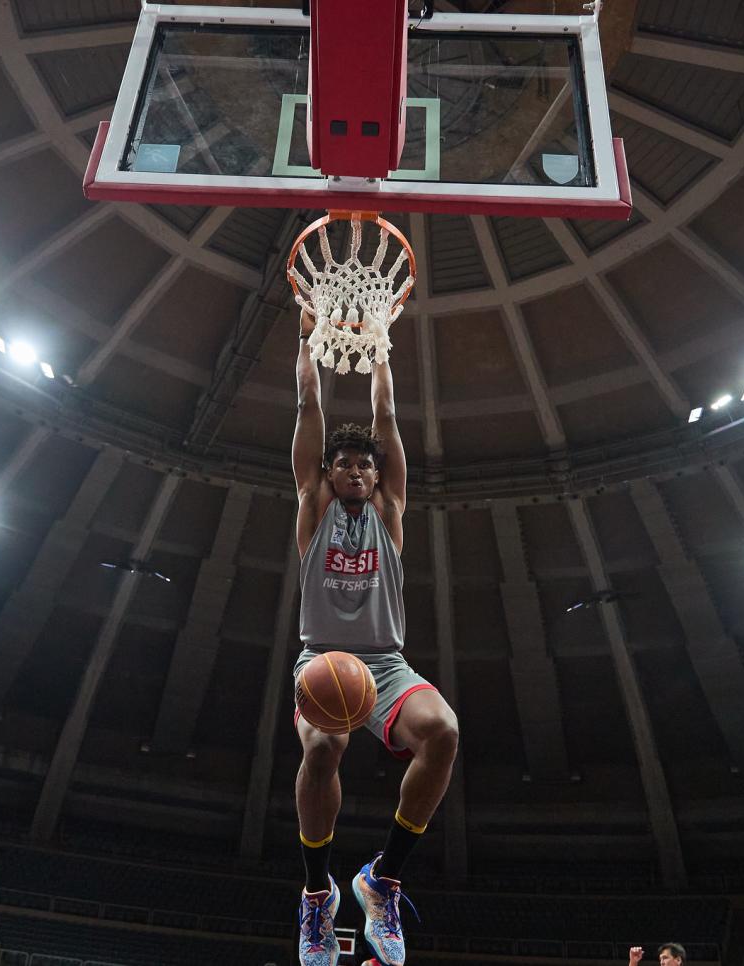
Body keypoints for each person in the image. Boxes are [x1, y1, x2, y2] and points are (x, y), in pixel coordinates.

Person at [291, 307, 460, 966]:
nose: (358, 472)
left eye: (366, 465)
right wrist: (307, 337)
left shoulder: (391, 511)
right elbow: (308, 404)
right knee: (325, 748)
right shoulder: (314, 506)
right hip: (323, 661)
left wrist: (381, 349)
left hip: (386, 667)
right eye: (346, 464)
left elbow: (387, 421)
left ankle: (382, 879)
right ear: (329, 474)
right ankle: (315, 895)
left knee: (443, 731)